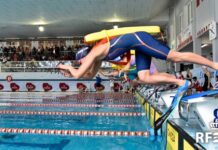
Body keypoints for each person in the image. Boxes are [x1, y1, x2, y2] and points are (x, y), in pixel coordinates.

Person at [57, 31, 218, 89]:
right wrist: (70, 73)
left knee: (175, 56)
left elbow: (79, 74)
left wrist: (66, 67)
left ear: (84, 57)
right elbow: (89, 76)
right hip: (137, 48)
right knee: (144, 77)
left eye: (81, 62)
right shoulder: (97, 57)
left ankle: (214, 64)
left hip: (140, 39)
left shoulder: (94, 52)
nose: (82, 64)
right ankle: (179, 82)